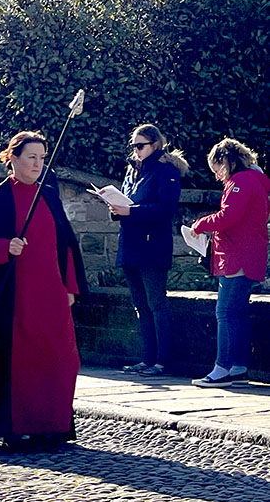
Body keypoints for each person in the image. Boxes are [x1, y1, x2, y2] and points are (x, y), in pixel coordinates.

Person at [0, 131, 88, 452]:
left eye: (41, 158)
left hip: (52, 297)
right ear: (13, 158)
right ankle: (19, 427)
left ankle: (52, 427)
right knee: (23, 365)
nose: (37, 164)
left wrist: (71, 287)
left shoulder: (48, 196)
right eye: (31, 157)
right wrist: (4, 246)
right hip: (15, 301)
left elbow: (65, 244)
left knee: (61, 361)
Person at [105, 124, 188, 377]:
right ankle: (148, 358)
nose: (136, 151)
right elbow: (129, 203)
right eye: (134, 146)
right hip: (130, 245)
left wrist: (132, 211)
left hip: (152, 246)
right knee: (140, 305)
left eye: (140, 146)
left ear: (155, 145)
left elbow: (166, 209)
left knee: (156, 303)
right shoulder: (133, 171)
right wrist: (116, 209)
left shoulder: (165, 171)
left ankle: (163, 361)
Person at [190, 138, 270, 388]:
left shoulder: (240, 181)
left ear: (226, 161)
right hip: (248, 253)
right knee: (238, 313)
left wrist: (200, 224)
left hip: (237, 256)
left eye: (217, 169)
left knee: (225, 312)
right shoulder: (255, 179)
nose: (217, 176)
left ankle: (222, 368)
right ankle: (238, 367)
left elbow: (229, 216)